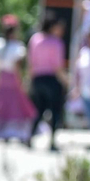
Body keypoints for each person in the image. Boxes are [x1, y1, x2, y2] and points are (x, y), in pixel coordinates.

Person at [0, 15, 37, 146]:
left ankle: (2, 132)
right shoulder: (17, 47)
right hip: (12, 79)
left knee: (2, 105)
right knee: (16, 106)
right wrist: (22, 82)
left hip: (1, 78)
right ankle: (15, 133)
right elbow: (17, 68)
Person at [28, 17, 69, 152]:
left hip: (37, 79)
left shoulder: (35, 39)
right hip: (51, 80)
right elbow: (58, 66)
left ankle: (29, 137)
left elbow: (31, 62)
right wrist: (67, 81)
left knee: (39, 110)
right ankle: (52, 141)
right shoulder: (56, 43)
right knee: (55, 111)